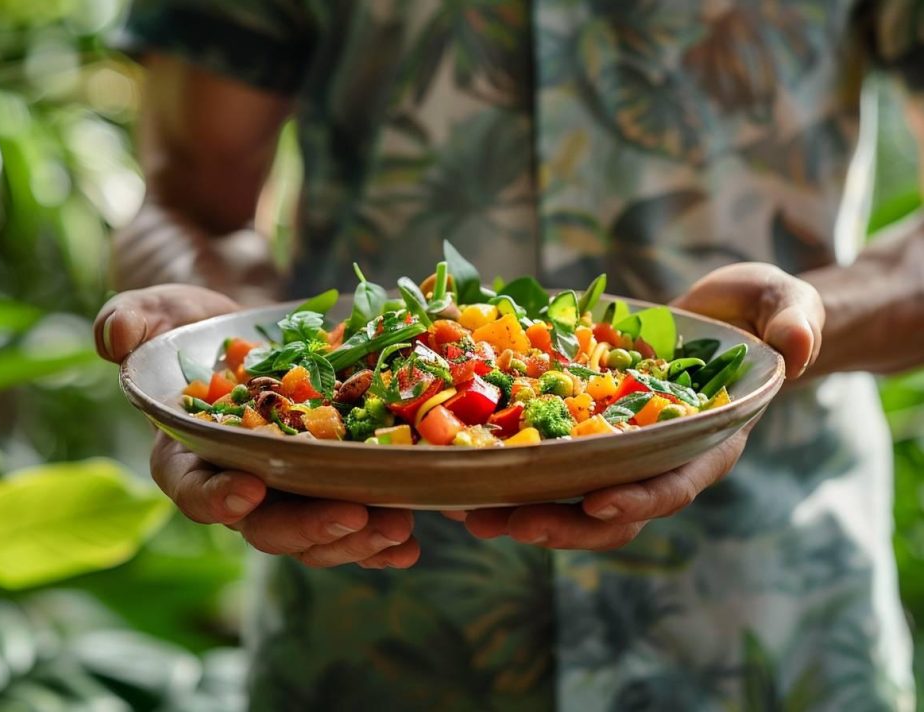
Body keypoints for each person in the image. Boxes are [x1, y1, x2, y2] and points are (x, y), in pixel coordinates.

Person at [95, 2, 924, 709]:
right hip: (366, 627)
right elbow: (186, 204)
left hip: (776, 623)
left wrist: (787, 335)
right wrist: (219, 357)